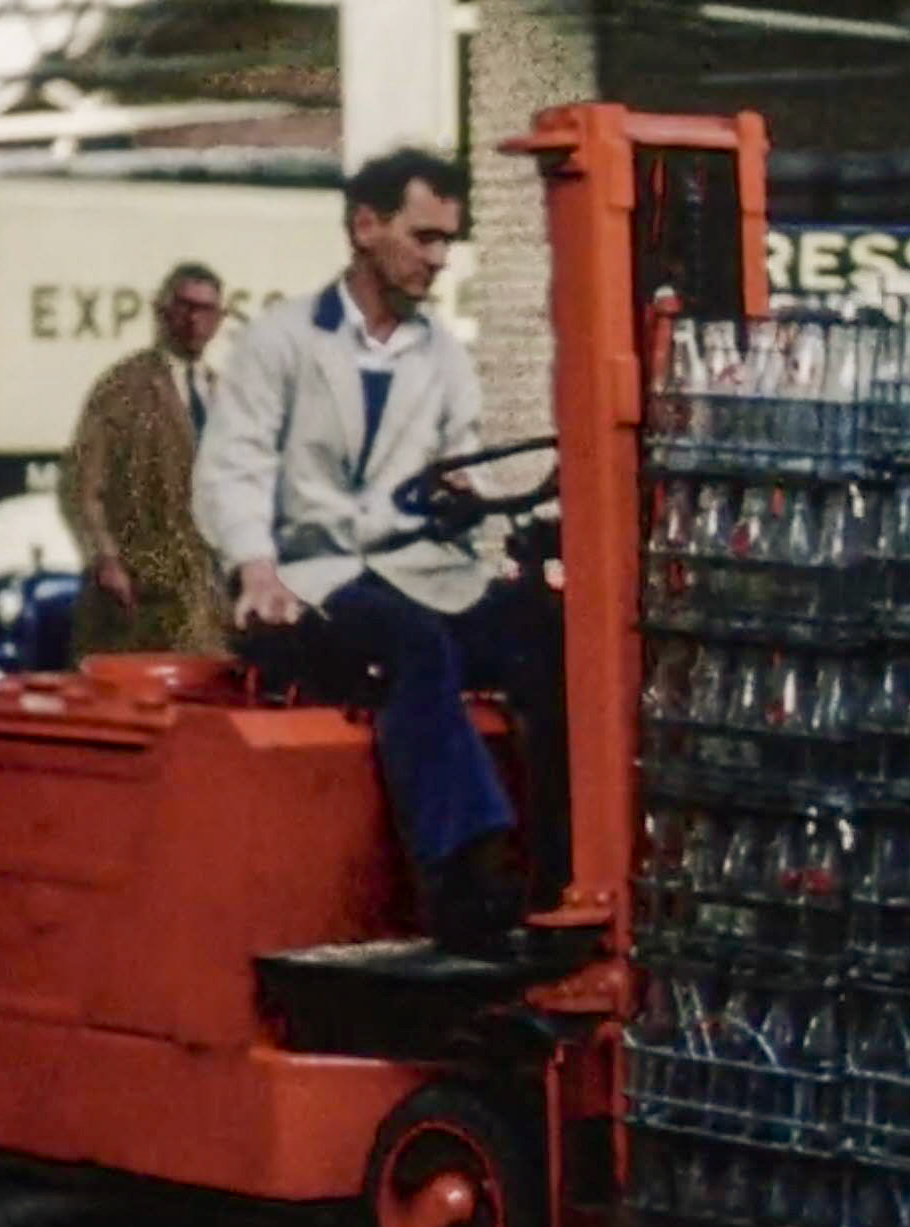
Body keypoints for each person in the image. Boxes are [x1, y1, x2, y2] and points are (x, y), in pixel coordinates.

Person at [191, 148, 566, 955]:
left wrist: (470, 500)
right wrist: (255, 567)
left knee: (548, 632)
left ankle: (561, 870)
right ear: (366, 226)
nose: (439, 258)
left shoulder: (445, 356)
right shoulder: (281, 340)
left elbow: (461, 461)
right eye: (424, 237)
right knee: (412, 644)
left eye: (448, 242)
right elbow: (234, 466)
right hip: (310, 580)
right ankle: (465, 881)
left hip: (419, 568)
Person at [59, 261, 230, 659]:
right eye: (185, 306)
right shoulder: (124, 387)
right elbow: (81, 486)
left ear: (220, 320)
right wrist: (105, 560)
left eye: (206, 310)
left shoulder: (221, 393)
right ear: (161, 310)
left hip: (203, 598)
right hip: (138, 596)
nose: (194, 320)